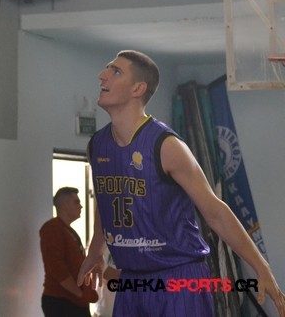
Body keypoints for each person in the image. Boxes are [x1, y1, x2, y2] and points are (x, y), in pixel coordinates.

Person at [77, 50, 285, 317]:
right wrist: (96, 248)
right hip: (132, 279)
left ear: (138, 89)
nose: (102, 75)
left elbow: (215, 212)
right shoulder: (97, 145)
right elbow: (106, 201)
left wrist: (261, 267)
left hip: (178, 278)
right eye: (107, 69)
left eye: (115, 71)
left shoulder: (166, 145)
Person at [40, 187, 97, 316]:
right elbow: (56, 266)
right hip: (62, 301)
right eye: (76, 202)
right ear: (63, 205)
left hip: (73, 300)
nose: (81, 206)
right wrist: (79, 294)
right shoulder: (53, 228)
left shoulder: (68, 231)